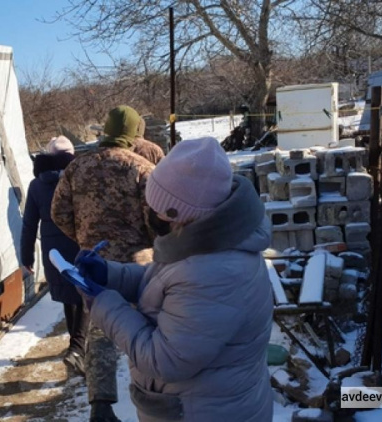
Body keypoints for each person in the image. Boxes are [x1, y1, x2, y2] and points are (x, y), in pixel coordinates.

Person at [72, 137, 273, 422]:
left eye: (158, 209)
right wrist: (111, 274)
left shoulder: (215, 273)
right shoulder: (207, 245)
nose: (152, 215)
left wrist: (103, 304)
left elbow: (164, 359)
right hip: (202, 403)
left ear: (182, 214)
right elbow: (167, 282)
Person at [52, 105, 155, 422]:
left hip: (93, 263)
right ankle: (153, 398)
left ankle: (100, 406)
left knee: (99, 332)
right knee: (148, 332)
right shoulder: (143, 168)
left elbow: (59, 213)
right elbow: (156, 221)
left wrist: (84, 237)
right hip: (139, 266)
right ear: (134, 133)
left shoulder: (76, 168)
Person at [20, 136, 86, 374]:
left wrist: (27, 257)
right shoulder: (78, 177)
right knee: (85, 297)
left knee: (70, 299)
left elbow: (28, 224)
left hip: (54, 251)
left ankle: (76, 346)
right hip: (79, 243)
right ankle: (78, 348)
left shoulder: (36, 185)